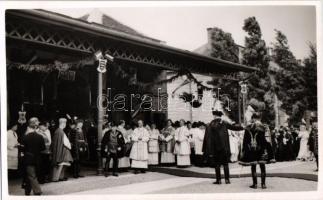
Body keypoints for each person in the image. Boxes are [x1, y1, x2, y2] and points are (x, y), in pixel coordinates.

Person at [203, 110, 243, 184]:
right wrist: (242, 128)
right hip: (224, 147)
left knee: (217, 164)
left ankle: (219, 180)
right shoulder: (224, 123)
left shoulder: (210, 124)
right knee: (225, 164)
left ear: (214, 116)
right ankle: (227, 180)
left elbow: (208, 138)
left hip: (215, 148)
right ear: (220, 116)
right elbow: (233, 127)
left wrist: (207, 149)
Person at [239, 113, 274, 189]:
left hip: (252, 150)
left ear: (253, 118)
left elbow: (245, 141)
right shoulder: (265, 127)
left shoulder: (248, 127)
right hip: (262, 150)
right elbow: (268, 141)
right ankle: (263, 184)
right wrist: (268, 151)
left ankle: (255, 184)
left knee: (253, 167)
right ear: (260, 119)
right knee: (262, 166)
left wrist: (244, 151)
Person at [21, 122, 45, 195]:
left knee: (31, 175)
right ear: (35, 128)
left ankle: (37, 191)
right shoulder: (40, 137)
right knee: (32, 175)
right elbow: (43, 148)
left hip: (28, 158)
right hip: (38, 158)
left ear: (28, 128)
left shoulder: (25, 137)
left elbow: (23, 149)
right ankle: (27, 191)